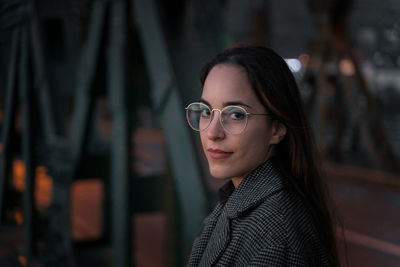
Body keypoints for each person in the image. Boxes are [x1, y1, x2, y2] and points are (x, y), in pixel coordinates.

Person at [185, 45, 340, 266]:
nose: (212, 132)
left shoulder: (277, 234)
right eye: (206, 112)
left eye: (236, 114)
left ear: (276, 128)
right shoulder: (241, 203)